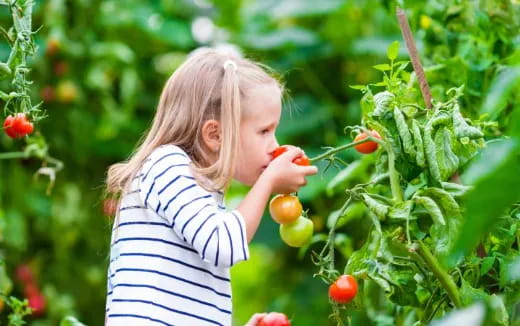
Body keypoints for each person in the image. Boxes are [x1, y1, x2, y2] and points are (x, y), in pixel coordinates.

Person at [104, 48, 317, 326]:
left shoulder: (200, 190)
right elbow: (222, 246)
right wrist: (269, 181)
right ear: (215, 135)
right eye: (264, 131)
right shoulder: (167, 165)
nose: (274, 146)